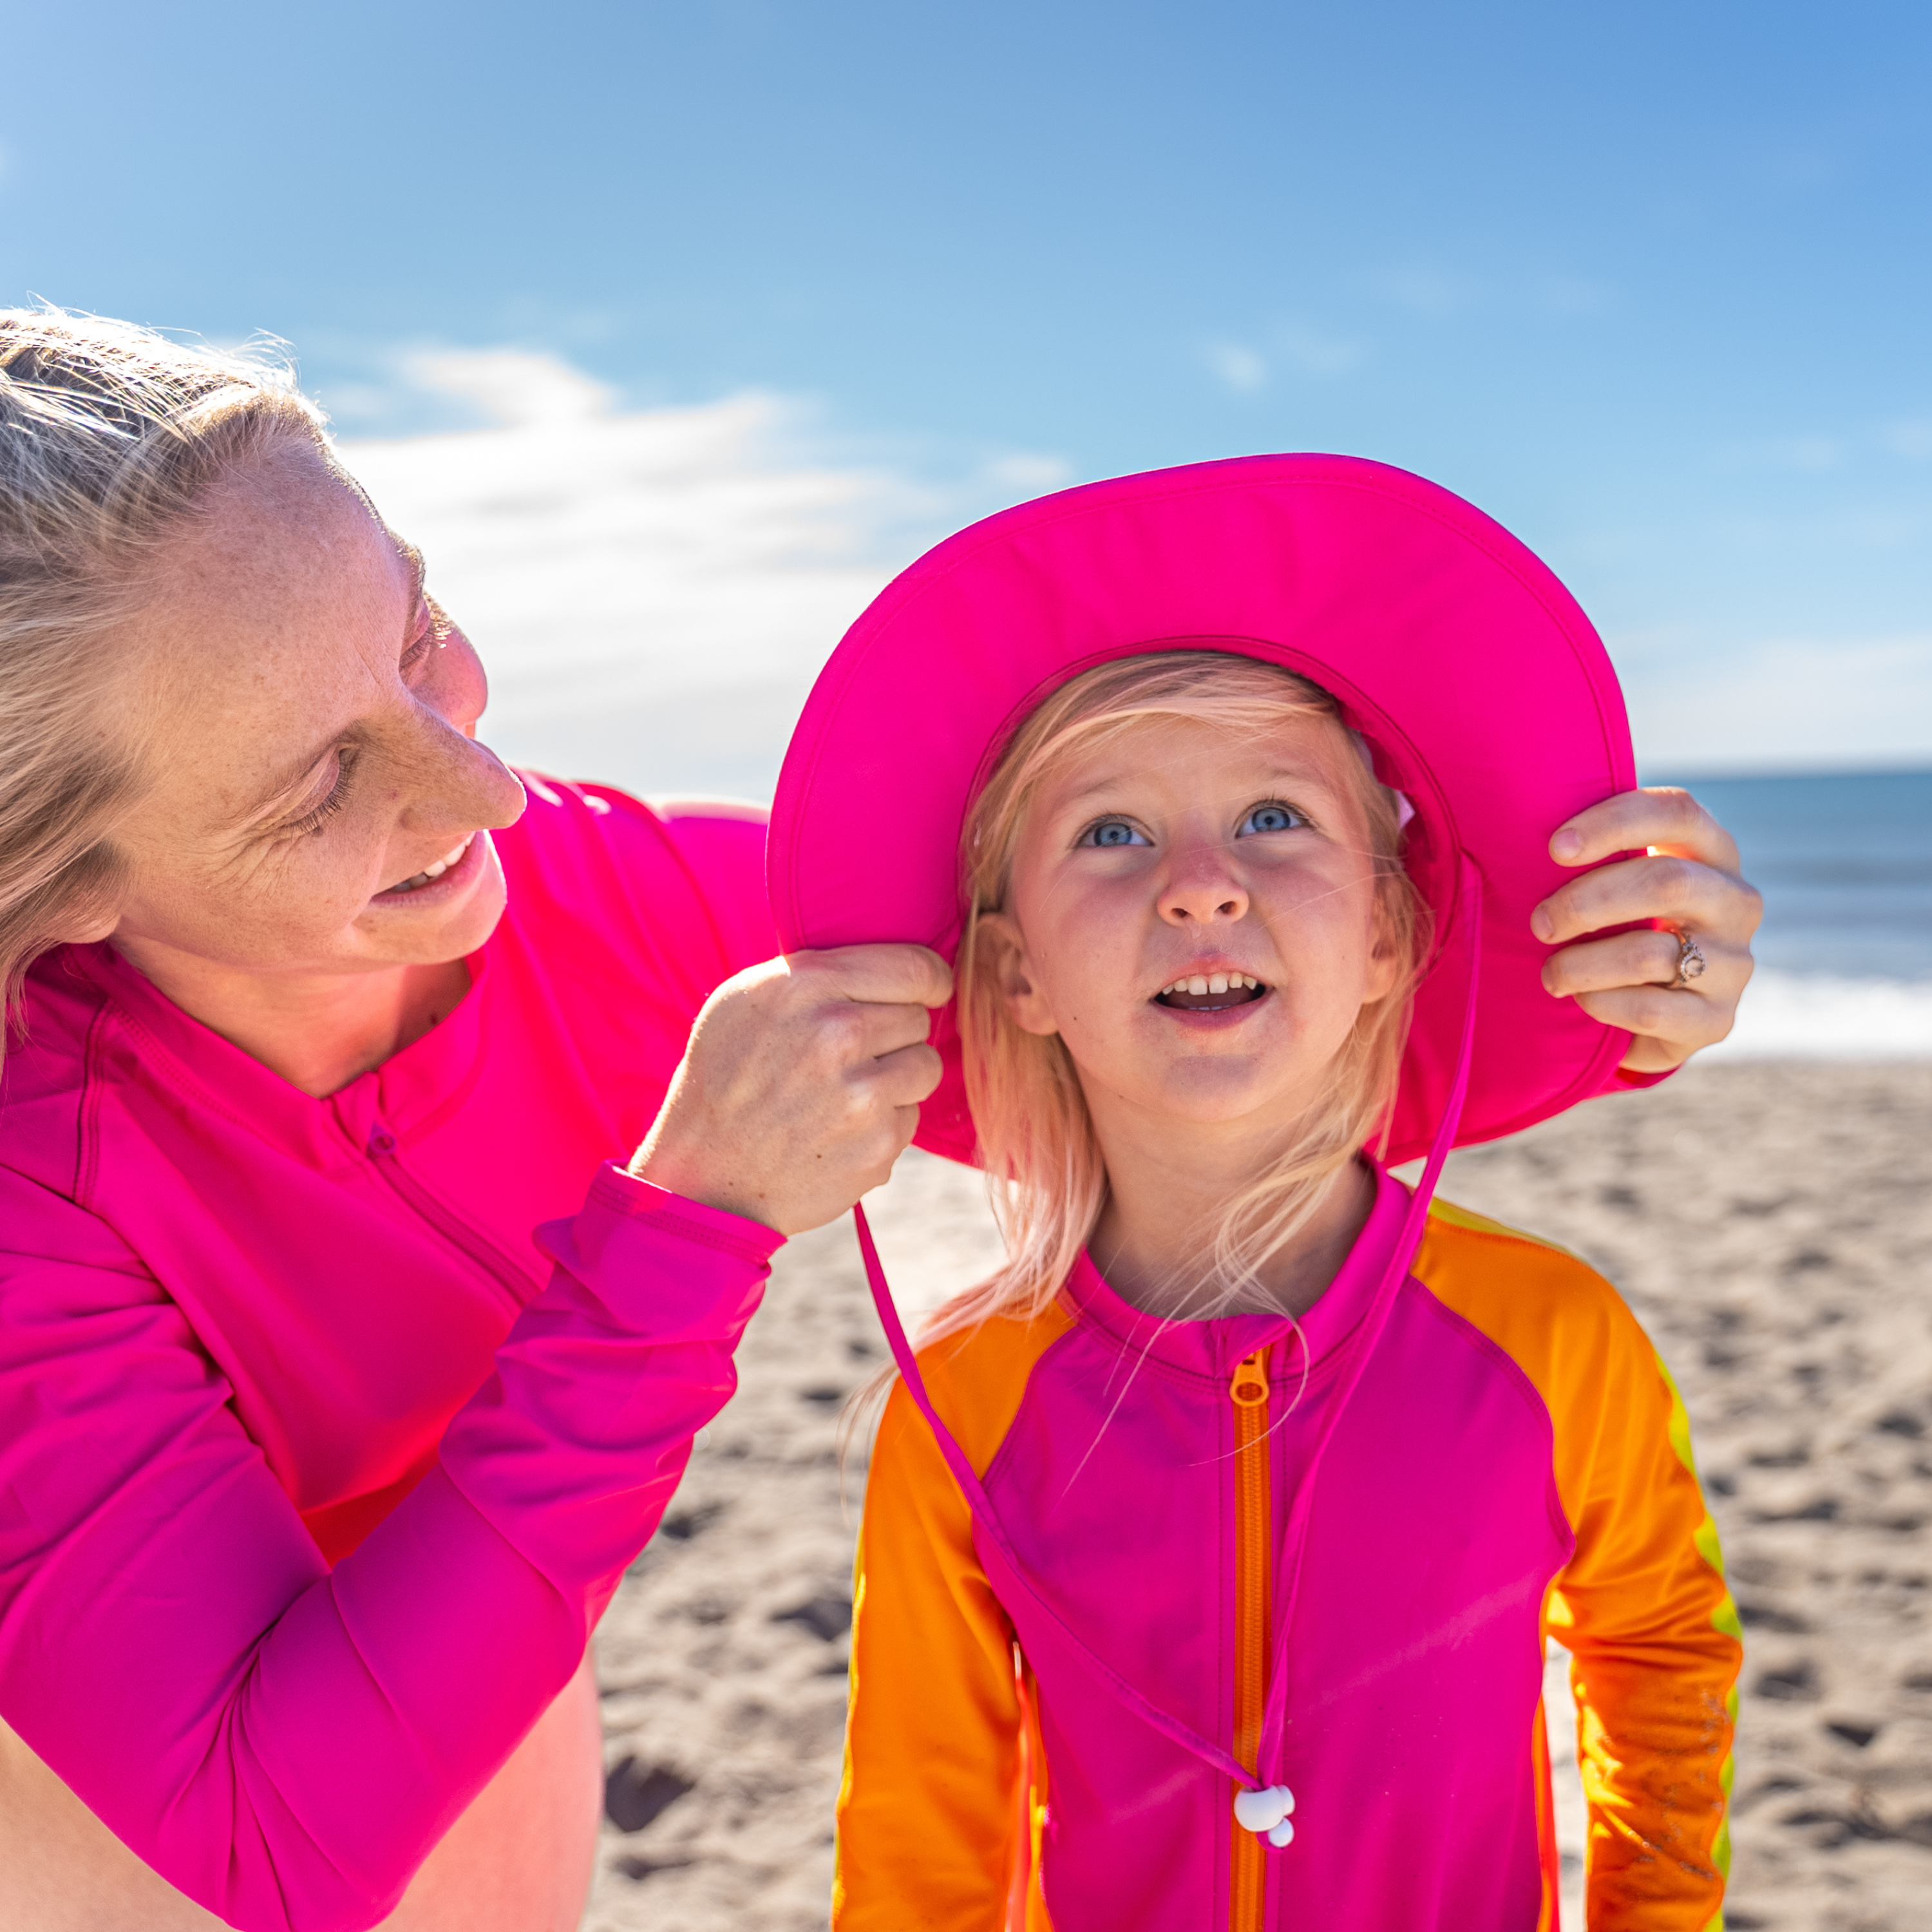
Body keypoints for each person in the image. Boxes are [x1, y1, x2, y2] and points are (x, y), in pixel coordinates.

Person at [0, 316, 1751, 1932]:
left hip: (468, 1654)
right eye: (322, 782)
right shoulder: (34, 1191)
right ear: (71, 882)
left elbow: (1206, 1033)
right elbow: (275, 1839)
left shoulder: (620, 905)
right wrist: (679, 1233)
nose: (484, 786)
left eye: (415, 632)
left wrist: (1598, 975)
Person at [772, 457, 1744, 1930]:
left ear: (1386, 940)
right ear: (1018, 972)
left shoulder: (1554, 1339)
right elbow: (917, 1836)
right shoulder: (961, 1409)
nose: (1203, 886)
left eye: (1278, 818)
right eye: (1111, 833)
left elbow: (1665, 1648)